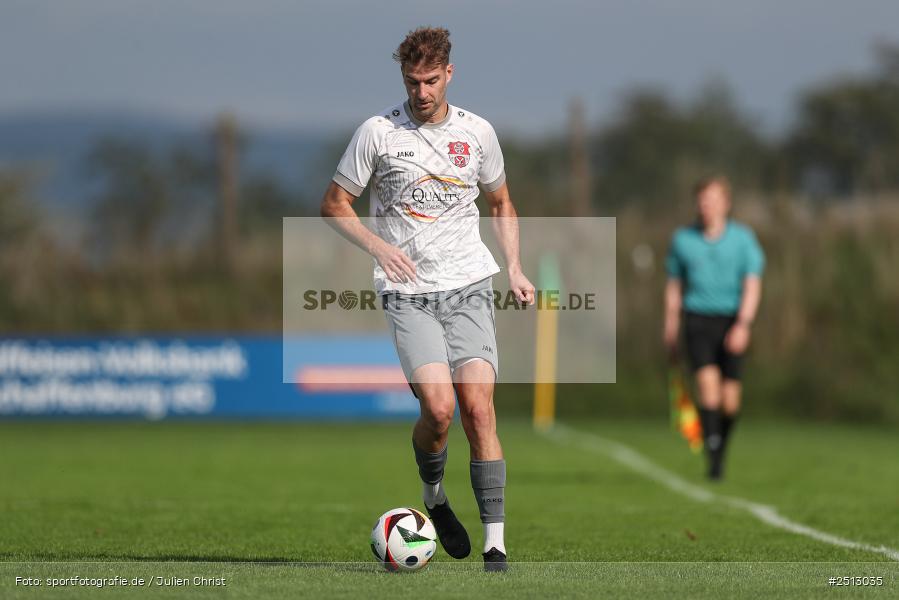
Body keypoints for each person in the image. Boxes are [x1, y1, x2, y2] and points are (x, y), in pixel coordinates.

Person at [320, 26, 534, 571]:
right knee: (438, 410)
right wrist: (378, 247)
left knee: (478, 409)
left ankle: (495, 545)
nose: (421, 92)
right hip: (408, 292)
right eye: (412, 81)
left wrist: (514, 266)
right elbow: (335, 204)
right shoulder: (377, 132)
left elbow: (502, 201)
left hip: (469, 286)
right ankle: (434, 496)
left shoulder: (478, 133)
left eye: (431, 80)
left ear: (449, 74)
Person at [663, 176, 764, 480]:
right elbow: (673, 286)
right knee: (708, 388)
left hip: (732, 320)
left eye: (713, 199)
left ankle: (719, 445)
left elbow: (752, 284)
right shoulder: (682, 240)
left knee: (730, 401)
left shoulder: (743, 239)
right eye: (702, 200)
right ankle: (713, 459)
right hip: (697, 319)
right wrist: (669, 325)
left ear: (726, 203)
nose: (706, 205)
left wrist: (743, 325)